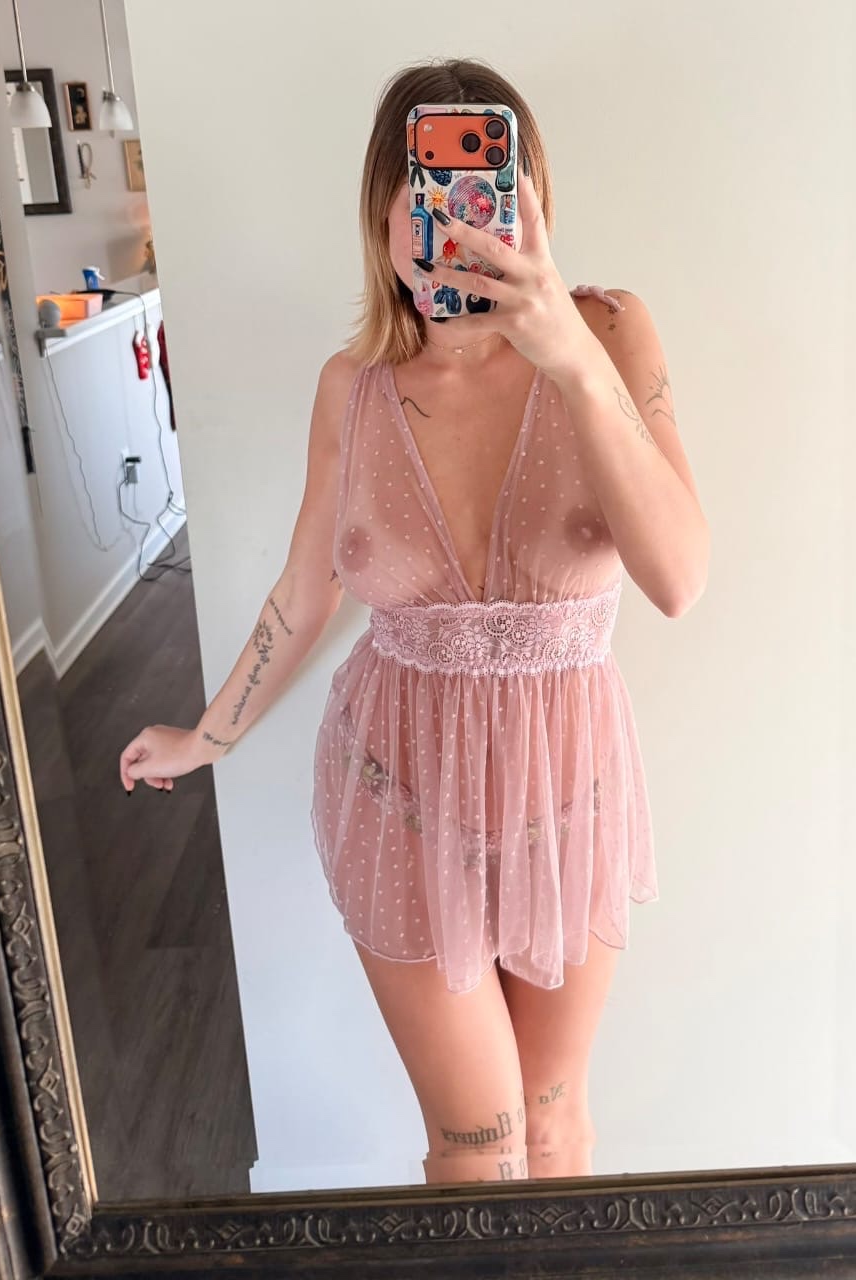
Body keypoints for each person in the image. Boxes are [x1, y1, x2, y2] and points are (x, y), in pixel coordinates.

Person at [118, 57, 709, 1187]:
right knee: (476, 1144)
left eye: (489, 194)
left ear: (532, 201)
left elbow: (677, 578)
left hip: (562, 797)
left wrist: (569, 359)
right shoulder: (351, 388)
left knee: (554, 1126)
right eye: (425, 195)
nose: (457, 225)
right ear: (382, 214)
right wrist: (207, 736)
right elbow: (306, 591)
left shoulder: (610, 331)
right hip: (399, 792)